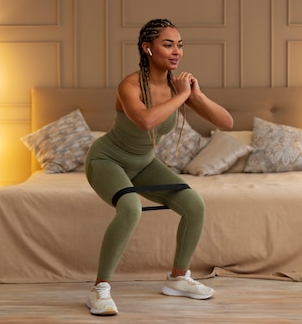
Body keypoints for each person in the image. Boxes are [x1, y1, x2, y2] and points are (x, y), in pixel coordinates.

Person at [84, 18, 234, 316]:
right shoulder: (130, 85)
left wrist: (197, 94)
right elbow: (146, 120)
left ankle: (178, 278)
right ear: (147, 48)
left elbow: (226, 122)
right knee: (130, 207)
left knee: (194, 204)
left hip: (143, 163)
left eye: (179, 45)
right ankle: (99, 290)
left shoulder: (178, 87)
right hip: (107, 159)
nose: (176, 51)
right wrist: (182, 96)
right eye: (168, 44)